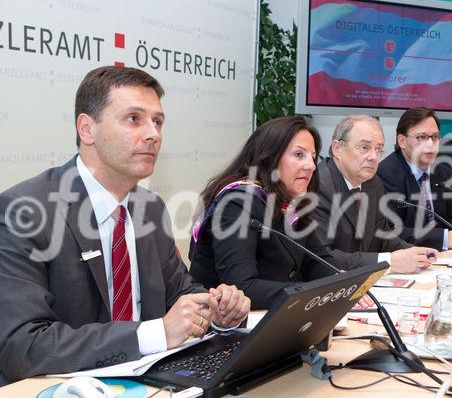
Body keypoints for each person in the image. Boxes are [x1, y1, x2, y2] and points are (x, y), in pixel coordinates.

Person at [0, 66, 250, 385]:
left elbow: (182, 292)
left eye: (157, 122)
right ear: (87, 129)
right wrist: (155, 334)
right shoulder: (23, 212)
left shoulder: (150, 208)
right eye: (134, 119)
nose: (153, 134)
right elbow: (23, 347)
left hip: (149, 383)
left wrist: (219, 309)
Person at [188, 116, 377, 309]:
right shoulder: (236, 204)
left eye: (312, 157)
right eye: (298, 155)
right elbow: (242, 287)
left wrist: (340, 282)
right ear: (269, 157)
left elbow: (316, 260)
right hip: (220, 325)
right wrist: (315, 293)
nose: (311, 166)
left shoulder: (291, 201)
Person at [315, 115, 437, 273]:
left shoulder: (373, 183)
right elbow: (323, 257)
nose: (374, 157)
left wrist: (414, 253)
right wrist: (389, 262)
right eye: (364, 147)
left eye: (378, 149)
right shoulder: (318, 186)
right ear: (338, 148)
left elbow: (383, 236)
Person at [377, 107, 452, 250]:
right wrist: (446, 238)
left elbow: (451, 218)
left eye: (435, 137)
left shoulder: (444, 173)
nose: (431, 144)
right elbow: (393, 231)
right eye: (422, 137)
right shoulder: (385, 174)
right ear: (402, 141)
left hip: (440, 258)